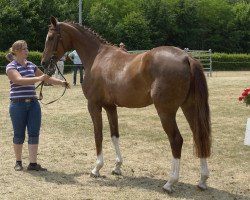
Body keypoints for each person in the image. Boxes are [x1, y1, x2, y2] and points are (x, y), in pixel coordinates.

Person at [6, 40, 70, 171]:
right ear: (16, 51)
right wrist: (38, 79)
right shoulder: (11, 67)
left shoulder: (31, 65)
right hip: (17, 105)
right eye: (24, 49)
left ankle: (33, 164)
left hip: (34, 104)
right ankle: (18, 162)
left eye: (26, 48)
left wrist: (61, 82)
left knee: (34, 133)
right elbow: (18, 80)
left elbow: (46, 78)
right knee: (19, 135)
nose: (27, 51)